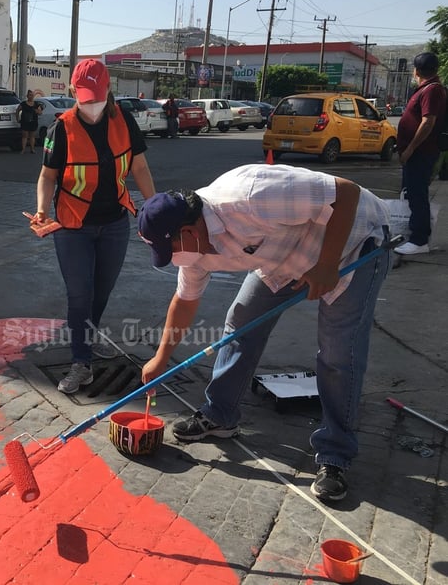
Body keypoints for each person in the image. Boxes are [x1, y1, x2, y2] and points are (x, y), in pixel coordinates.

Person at [137, 164, 391, 502]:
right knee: (240, 324)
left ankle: (335, 454)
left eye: (171, 250)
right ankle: (220, 414)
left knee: (337, 351)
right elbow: (184, 302)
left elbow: (346, 193)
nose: (174, 260)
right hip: (286, 253)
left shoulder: (250, 195)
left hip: (354, 241)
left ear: (188, 230)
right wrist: (160, 360)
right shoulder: (193, 251)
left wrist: (327, 265)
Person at [32, 59, 156, 393]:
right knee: (79, 293)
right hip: (74, 225)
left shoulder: (123, 121)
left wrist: (155, 206)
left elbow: (140, 169)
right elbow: (48, 176)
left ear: (108, 91)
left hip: (114, 223)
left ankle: (87, 338)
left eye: (96, 97)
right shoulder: (63, 127)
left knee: (101, 291)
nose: (91, 104)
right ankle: (80, 362)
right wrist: (43, 209)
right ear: (74, 92)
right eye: (84, 97)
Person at [395, 52, 447, 255]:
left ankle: (419, 240)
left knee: (417, 195)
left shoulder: (431, 91)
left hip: (421, 152)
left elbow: (428, 122)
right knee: (413, 194)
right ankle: (414, 234)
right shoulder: (429, 89)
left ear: (415, 71)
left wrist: (410, 148)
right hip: (419, 152)